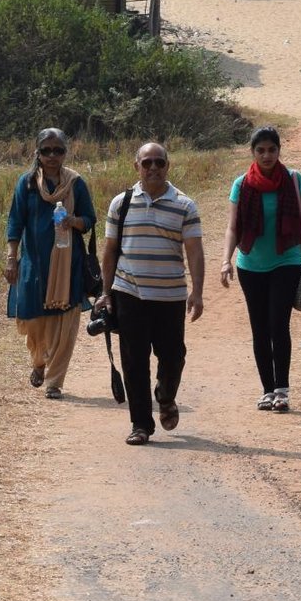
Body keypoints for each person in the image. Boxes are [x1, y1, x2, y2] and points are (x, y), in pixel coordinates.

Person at [97, 142, 205, 446]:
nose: (153, 168)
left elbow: (194, 252)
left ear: (168, 166)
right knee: (134, 361)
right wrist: (106, 293)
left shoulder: (185, 205)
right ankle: (140, 424)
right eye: (147, 163)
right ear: (136, 167)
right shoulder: (121, 203)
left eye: (159, 162)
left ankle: (166, 395)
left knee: (173, 357)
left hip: (170, 296)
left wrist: (197, 292)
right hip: (129, 293)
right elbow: (110, 251)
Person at [220, 125, 301, 413]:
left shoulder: (294, 180)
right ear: (252, 153)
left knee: (278, 324)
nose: (266, 155)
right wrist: (226, 260)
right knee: (259, 328)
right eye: (260, 150)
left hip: (285, 261)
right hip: (250, 265)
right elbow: (232, 227)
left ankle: (282, 390)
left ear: (279, 151)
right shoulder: (241, 184)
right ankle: (266, 390)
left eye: (272, 150)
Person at [4, 128, 96, 399]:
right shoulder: (28, 183)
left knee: (64, 325)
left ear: (66, 152)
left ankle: (54, 382)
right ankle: (38, 361)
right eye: (46, 150)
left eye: (58, 150)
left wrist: (74, 221)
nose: (52, 155)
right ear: (38, 153)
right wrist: (12, 258)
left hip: (69, 265)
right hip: (34, 264)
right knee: (32, 322)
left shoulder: (76, 183)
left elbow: (90, 219)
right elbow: (15, 222)